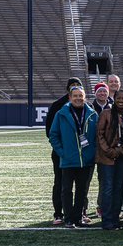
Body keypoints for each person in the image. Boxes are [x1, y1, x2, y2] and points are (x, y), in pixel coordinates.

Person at [48, 85, 98, 228]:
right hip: (68, 159)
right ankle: (69, 218)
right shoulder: (61, 114)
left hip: (86, 160)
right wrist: (62, 152)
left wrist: (92, 152)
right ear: (69, 97)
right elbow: (53, 135)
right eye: (75, 96)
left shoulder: (92, 114)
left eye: (80, 96)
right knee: (66, 190)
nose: (78, 98)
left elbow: (96, 137)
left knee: (82, 191)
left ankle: (78, 217)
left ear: (85, 97)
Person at [45, 77, 84, 225]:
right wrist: (62, 150)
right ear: (68, 90)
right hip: (63, 153)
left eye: (77, 85)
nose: (75, 88)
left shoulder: (86, 106)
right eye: (72, 86)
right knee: (61, 183)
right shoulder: (58, 105)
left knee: (82, 185)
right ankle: (58, 213)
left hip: (80, 153)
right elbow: (50, 132)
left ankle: (81, 212)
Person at [95, 89, 123, 230]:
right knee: (108, 189)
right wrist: (110, 150)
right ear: (114, 99)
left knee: (119, 188)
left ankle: (115, 219)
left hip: (122, 156)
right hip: (107, 157)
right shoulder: (106, 113)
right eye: (119, 98)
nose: (121, 100)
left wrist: (121, 150)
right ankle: (107, 220)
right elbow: (99, 134)